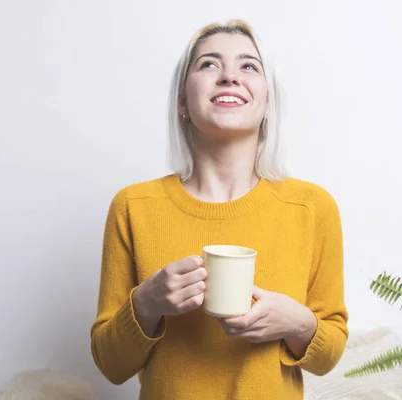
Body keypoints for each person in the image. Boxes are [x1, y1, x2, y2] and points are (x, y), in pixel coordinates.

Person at [90, 19, 348, 400]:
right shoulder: (133, 207)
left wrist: (298, 323)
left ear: (267, 104)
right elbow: (111, 367)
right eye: (209, 64)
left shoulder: (311, 208)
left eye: (248, 66)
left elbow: (328, 357)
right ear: (182, 101)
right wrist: (145, 304)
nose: (229, 76)